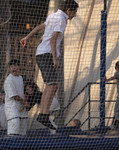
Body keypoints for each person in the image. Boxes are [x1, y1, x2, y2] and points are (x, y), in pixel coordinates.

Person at [20, 0, 79, 130]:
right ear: (69, 10)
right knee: (53, 85)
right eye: (74, 12)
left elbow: (40, 26)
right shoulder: (62, 19)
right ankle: (44, 114)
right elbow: (53, 39)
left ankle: (43, 113)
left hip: (41, 53)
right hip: (46, 54)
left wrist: (27, 37)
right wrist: (55, 58)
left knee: (50, 85)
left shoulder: (53, 15)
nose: (75, 15)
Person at [4, 59, 30, 136]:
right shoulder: (9, 80)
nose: (14, 68)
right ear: (9, 68)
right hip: (12, 108)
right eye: (11, 66)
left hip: (21, 108)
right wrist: (25, 102)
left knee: (23, 128)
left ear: (19, 67)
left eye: (16, 66)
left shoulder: (21, 78)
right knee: (15, 124)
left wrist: (25, 103)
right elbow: (14, 96)